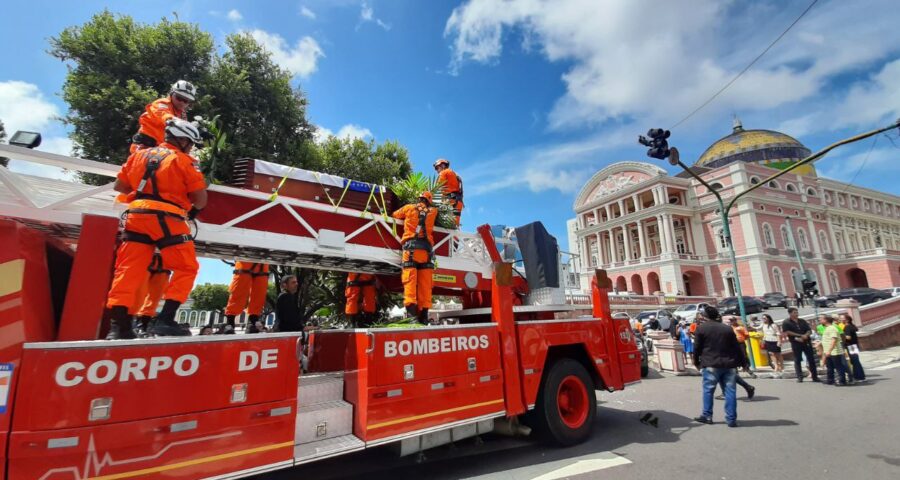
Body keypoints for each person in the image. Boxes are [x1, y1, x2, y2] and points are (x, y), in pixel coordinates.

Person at [104, 118, 207, 339]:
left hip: (137, 215)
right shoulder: (184, 161)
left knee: (128, 270)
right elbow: (200, 199)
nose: (190, 147)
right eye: (190, 143)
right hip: (168, 218)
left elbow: (120, 186)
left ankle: (119, 326)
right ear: (181, 140)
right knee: (186, 267)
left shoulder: (138, 156)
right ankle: (165, 319)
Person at [693, 305, 743, 427]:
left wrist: (696, 362)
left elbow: (697, 348)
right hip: (729, 363)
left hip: (710, 363)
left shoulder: (701, 328)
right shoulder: (727, 328)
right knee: (730, 391)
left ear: (705, 317)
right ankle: (731, 419)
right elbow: (736, 347)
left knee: (708, 391)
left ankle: (707, 415)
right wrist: (743, 361)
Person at [392, 191, 438, 323]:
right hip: (426, 253)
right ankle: (424, 316)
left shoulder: (408, 208)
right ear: (429, 201)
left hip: (411, 250)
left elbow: (395, 215)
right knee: (425, 285)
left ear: (418, 199)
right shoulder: (433, 211)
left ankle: (412, 317)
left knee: (410, 282)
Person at [131, 80, 197, 153]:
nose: (181, 102)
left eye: (185, 101)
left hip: (160, 148)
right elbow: (163, 114)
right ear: (171, 94)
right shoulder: (162, 103)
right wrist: (174, 121)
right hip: (146, 143)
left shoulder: (182, 114)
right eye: (179, 98)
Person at [130, 253, 171, 335]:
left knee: (153, 298)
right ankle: (134, 324)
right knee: (137, 295)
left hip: (163, 263)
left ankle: (143, 325)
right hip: (145, 258)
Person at [224, 262, 270, 334]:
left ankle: (254, 318)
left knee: (260, 289)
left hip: (262, 258)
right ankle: (230, 321)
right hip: (246, 257)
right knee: (239, 288)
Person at [781, 307, 820, 382]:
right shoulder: (786, 322)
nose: (796, 314)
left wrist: (806, 335)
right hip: (796, 342)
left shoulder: (802, 321)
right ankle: (800, 377)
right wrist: (800, 335)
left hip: (806, 341)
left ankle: (815, 376)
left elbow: (809, 330)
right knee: (797, 360)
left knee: (811, 359)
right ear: (790, 313)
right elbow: (787, 332)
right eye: (794, 312)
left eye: (797, 312)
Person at [724, 316, 756, 398]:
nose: (731, 322)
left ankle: (747, 369)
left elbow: (746, 335)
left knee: (743, 357)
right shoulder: (729, 328)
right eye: (730, 320)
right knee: (731, 373)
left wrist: (741, 339)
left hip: (740, 344)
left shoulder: (740, 327)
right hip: (731, 346)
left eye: (732, 320)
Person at [433, 158, 464, 228]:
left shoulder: (444, 172)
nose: (437, 170)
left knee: (438, 222)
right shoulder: (455, 174)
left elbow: (438, 187)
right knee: (454, 226)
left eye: (437, 168)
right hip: (458, 202)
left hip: (450, 201)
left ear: (443, 165)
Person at [819, 315, 848, 386]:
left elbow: (833, 340)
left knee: (838, 366)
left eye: (821, 319)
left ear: (826, 320)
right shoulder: (827, 328)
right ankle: (830, 379)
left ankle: (842, 381)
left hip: (834, 351)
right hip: (828, 351)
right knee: (830, 366)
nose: (820, 320)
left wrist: (829, 350)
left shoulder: (832, 328)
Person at [839, 313, 866, 382]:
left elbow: (848, 337)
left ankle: (859, 376)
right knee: (855, 361)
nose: (841, 319)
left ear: (847, 319)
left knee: (855, 361)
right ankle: (859, 376)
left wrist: (841, 337)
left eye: (842, 318)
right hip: (853, 345)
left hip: (851, 346)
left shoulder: (847, 327)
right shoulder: (851, 326)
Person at [759, 314, 784, 378]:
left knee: (778, 354)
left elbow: (778, 333)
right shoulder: (763, 325)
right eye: (763, 318)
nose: (763, 319)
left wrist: (779, 341)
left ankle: (781, 366)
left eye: (765, 318)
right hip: (768, 340)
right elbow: (758, 328)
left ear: (768, 318)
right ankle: (776, 366)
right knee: (771, 353)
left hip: (774, 340)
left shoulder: (773, 325)